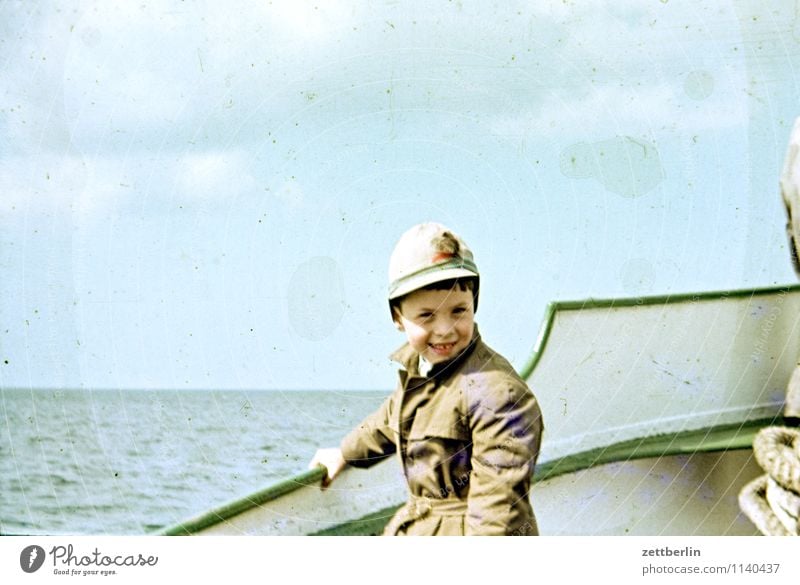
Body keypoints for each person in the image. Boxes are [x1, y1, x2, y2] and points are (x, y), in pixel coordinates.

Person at [309, 222, 544, 535]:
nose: (445, 329)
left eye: (458, 311)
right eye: (426, 316)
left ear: (475, 303)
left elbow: (497, 514)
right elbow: (391, 418)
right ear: (397, 318)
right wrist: (345, 452)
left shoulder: (499, 395)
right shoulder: (424, 375)